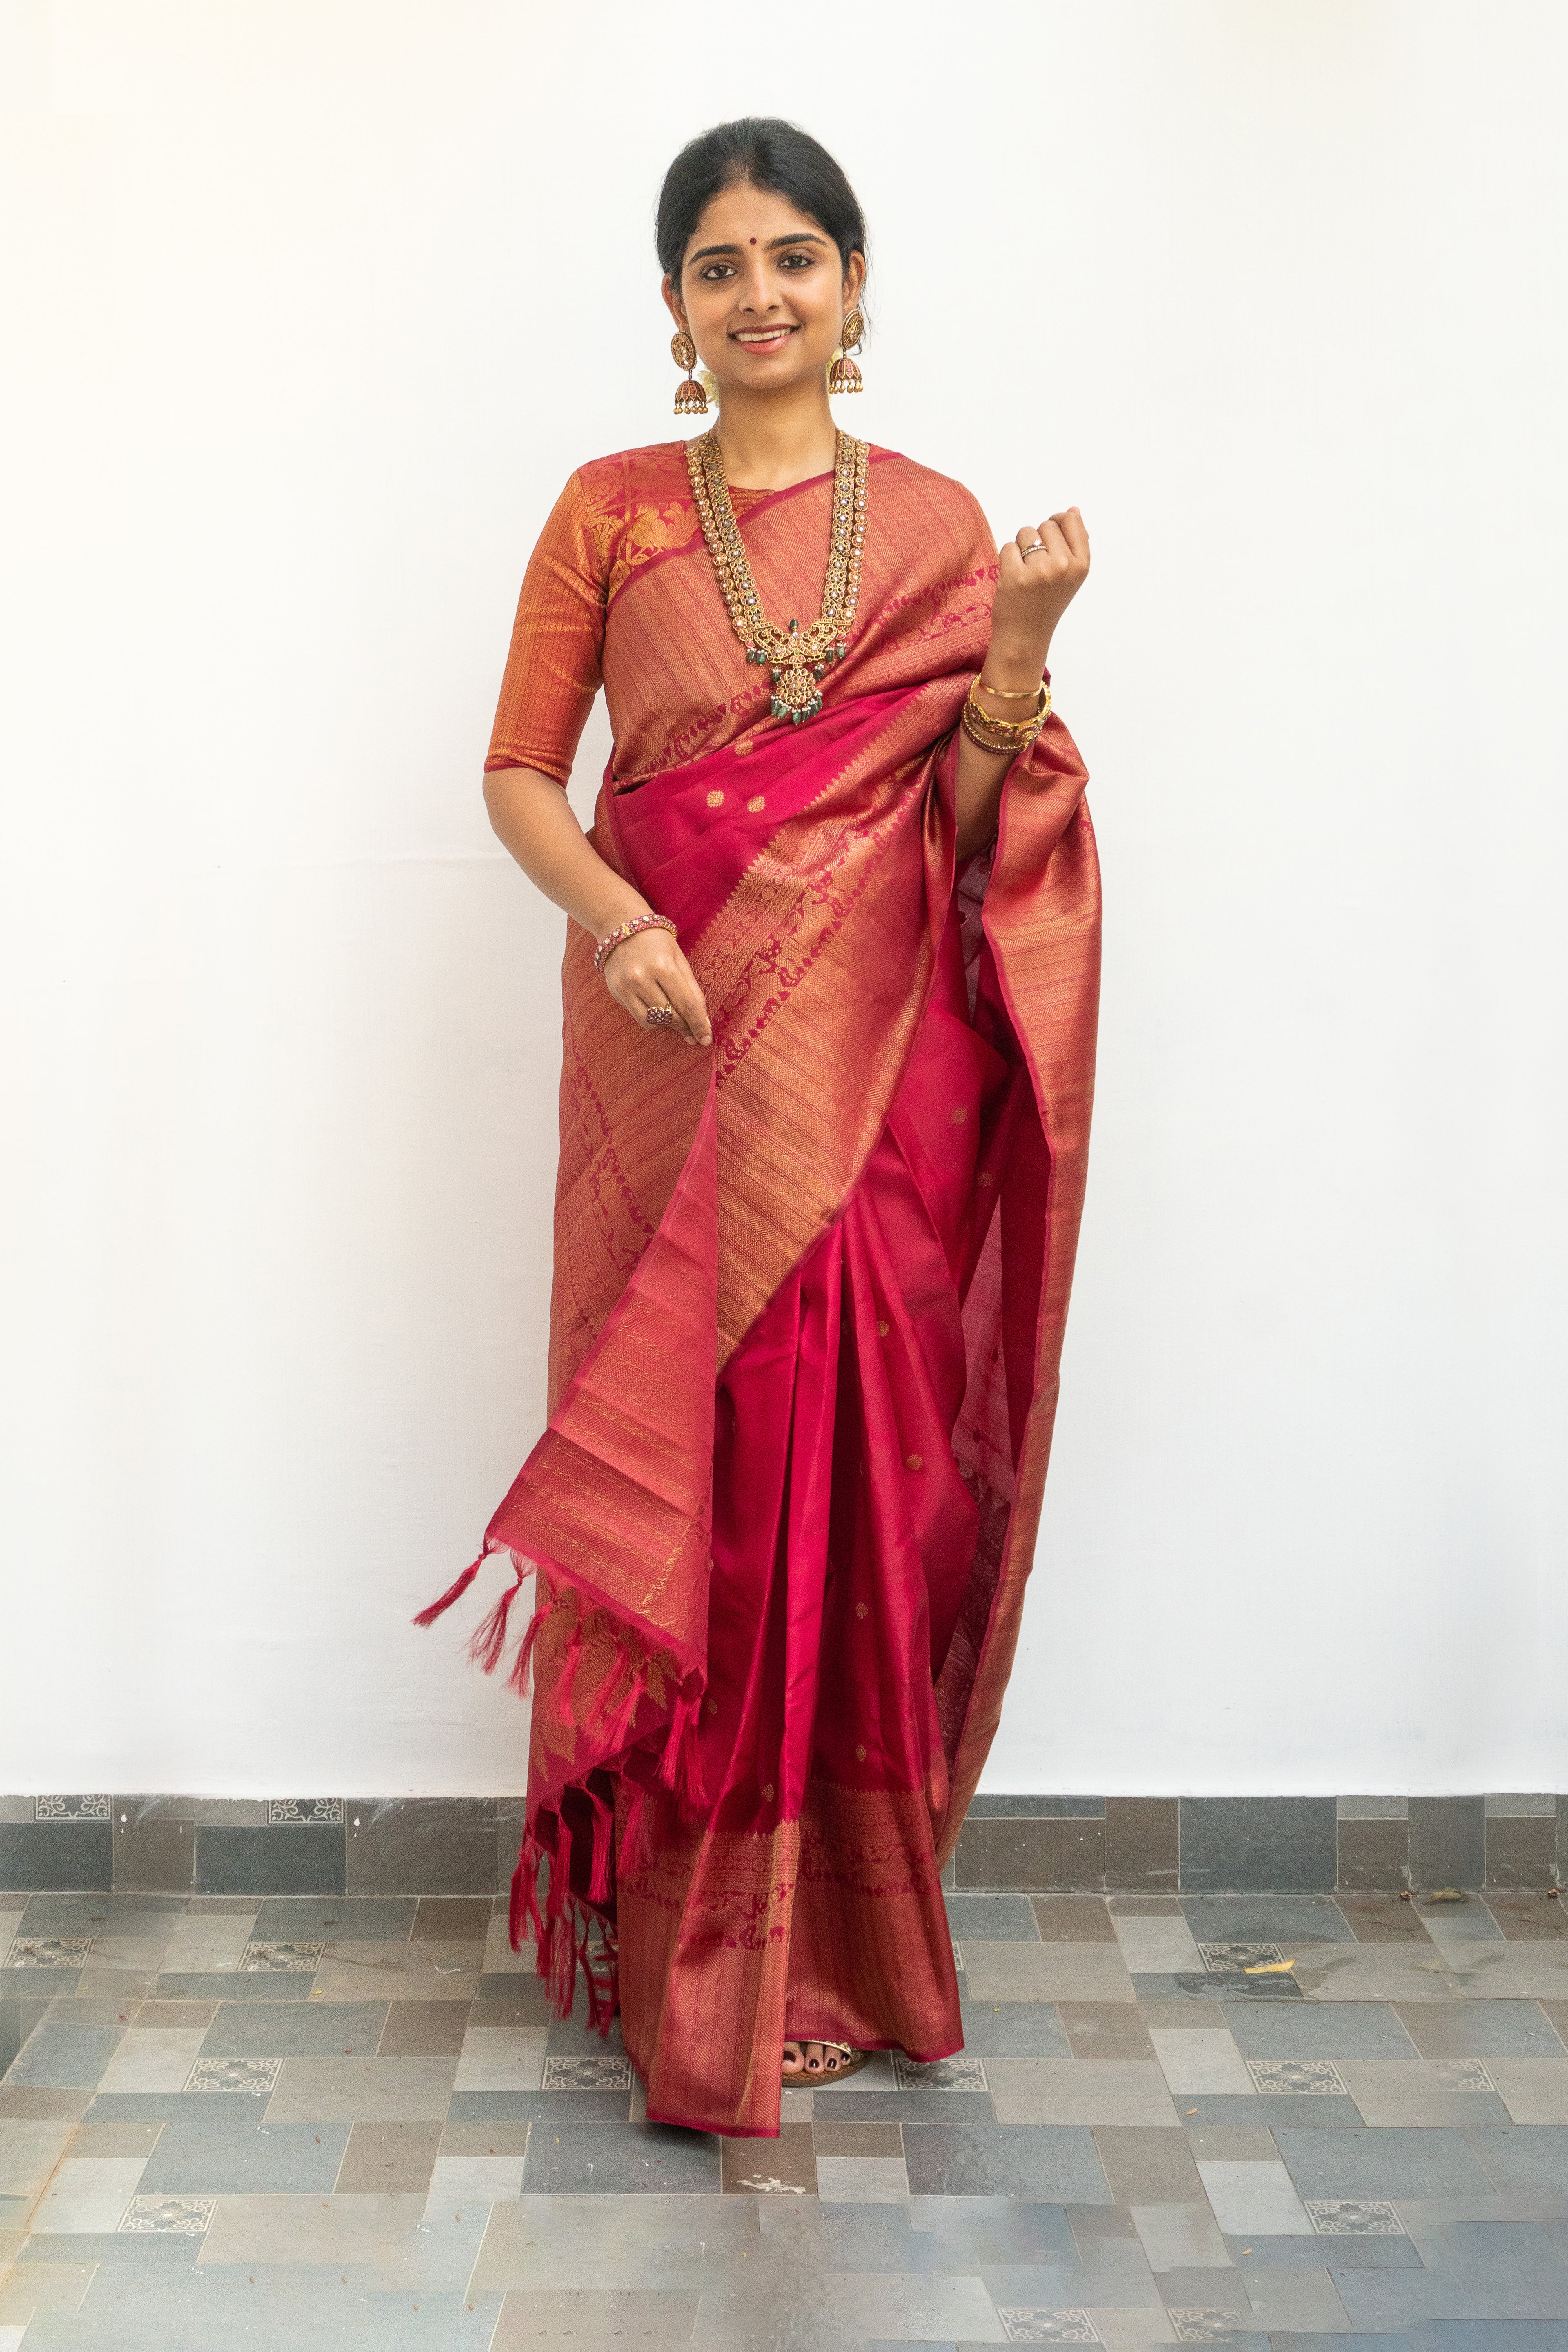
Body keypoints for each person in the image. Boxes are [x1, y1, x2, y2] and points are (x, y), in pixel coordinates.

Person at [419, 116, 1099, 2138]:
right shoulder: (612, 512)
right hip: (667, 1040)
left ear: (855, 285)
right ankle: (675, 1935)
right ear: (675, 306)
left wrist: (1021, 654)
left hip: (868, 1080)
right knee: (687, 1468)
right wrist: (620, 920)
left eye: (794, 257)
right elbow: (521, 772)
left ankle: (823, 1957)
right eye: (719, 265)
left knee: (854, 1473)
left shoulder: (941, 525)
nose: (761, 294)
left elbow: (968, 837)